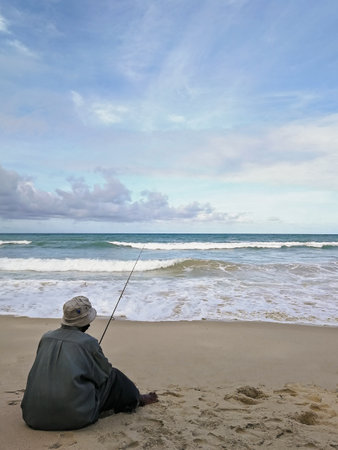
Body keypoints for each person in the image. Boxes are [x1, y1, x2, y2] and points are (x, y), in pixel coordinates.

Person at [21, 296, 158, 430]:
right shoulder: (88, 343)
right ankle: (137, 399)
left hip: (32, 416)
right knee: (115, 376)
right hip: (75, 418)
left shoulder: (46, 337)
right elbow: (105, 374)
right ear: (86, 322)